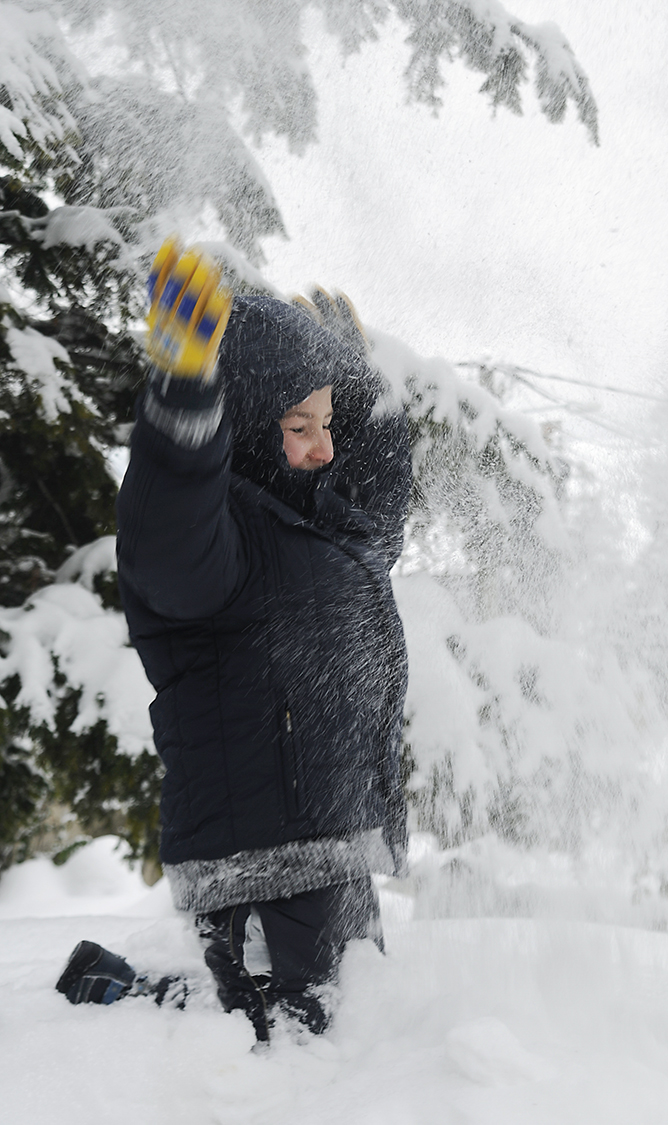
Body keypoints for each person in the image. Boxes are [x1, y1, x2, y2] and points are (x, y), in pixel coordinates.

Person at [55, 240, 411, 1042]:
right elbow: (170, 524)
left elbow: (377, 521)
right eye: (300, 425)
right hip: (256, 862)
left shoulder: (315, 529)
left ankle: (141, 995)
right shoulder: (220, 542)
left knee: (341, 1033)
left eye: (329, 424)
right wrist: (184, 405)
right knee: (287, 1042)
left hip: (331, 844)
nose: (324, 446)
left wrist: (360, 396)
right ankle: (115, 996)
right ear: (245, 424)